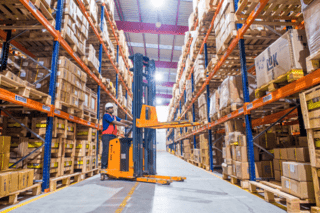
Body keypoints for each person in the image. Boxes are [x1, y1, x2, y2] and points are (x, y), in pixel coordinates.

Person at [101, 103, 133, 169]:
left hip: (113, 136)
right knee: (106, 151)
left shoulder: (114, 117)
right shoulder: (106, 115)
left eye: (112, 108)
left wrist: (130, 122)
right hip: (106, 136)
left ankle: (111, 167)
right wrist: (124, 125)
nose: (112, 109)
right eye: (110, 108)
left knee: (113, 151)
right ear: (107, 109)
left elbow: (122, 120)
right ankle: (104, 167)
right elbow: (114, 122)